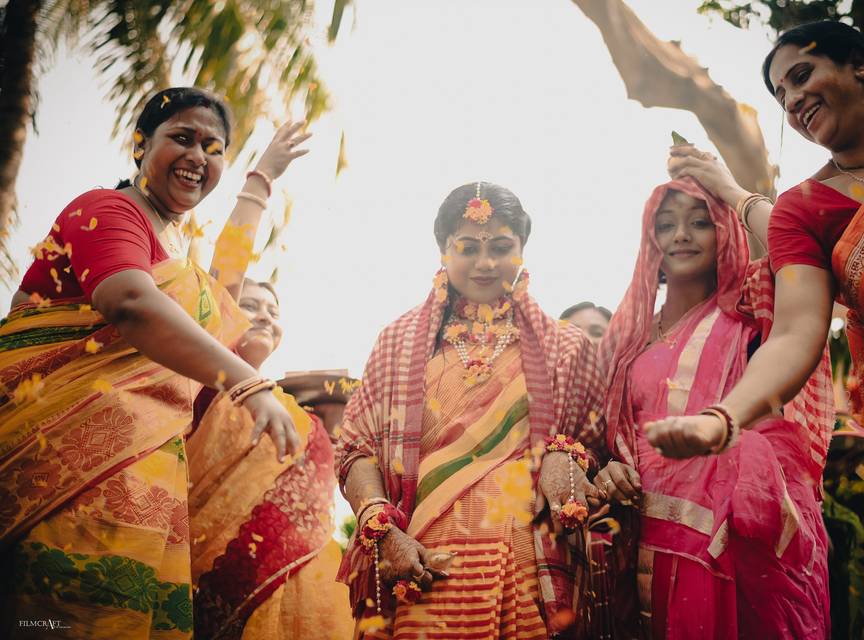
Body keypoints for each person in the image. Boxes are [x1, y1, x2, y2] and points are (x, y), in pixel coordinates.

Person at [643, 20, 864, 638]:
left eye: (801, 75)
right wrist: (723, 415)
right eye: (781, 96)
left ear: (860, 65)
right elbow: (795, 331)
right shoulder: (803, 210)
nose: (793, 101)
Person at [0, 87, 305, 638]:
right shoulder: (107, 209)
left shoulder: (174, 252)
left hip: (146, 473)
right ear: (140, 145)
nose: (197, 157)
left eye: (213, 148)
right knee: (60, 623)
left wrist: (259, 181)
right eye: (181, 138)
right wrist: (250, 384)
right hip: (64, 469)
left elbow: (222, 294)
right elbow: (131, 303)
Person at [335, 182, 607, 638]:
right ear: (443, 251)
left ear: (521, 251)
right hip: (424, 562)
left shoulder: (566, 346)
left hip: (530, 563)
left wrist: (569, 453)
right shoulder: (398, 343)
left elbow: (604, 441)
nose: (484, 263)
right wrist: (382, 531)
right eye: (467, 247)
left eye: (501, 247)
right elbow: (355, 449)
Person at [594, 171, 833, 638]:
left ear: (724, 230)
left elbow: (801, 244)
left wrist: (729, 191)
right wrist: (604, 468)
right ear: (650, 242)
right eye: (666, 224)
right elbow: (602, 434)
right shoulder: (626, 340)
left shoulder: (747, 311)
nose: (681, 235)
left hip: (729, 545)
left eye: (699, 222)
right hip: (636, 538)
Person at [187, 279, 352, 640]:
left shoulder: (298, 412)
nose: (264, 316)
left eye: (273, 311)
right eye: (250, 306)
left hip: (312, 589)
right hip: (211, 575)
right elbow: (224, 279)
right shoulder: (197, 381)